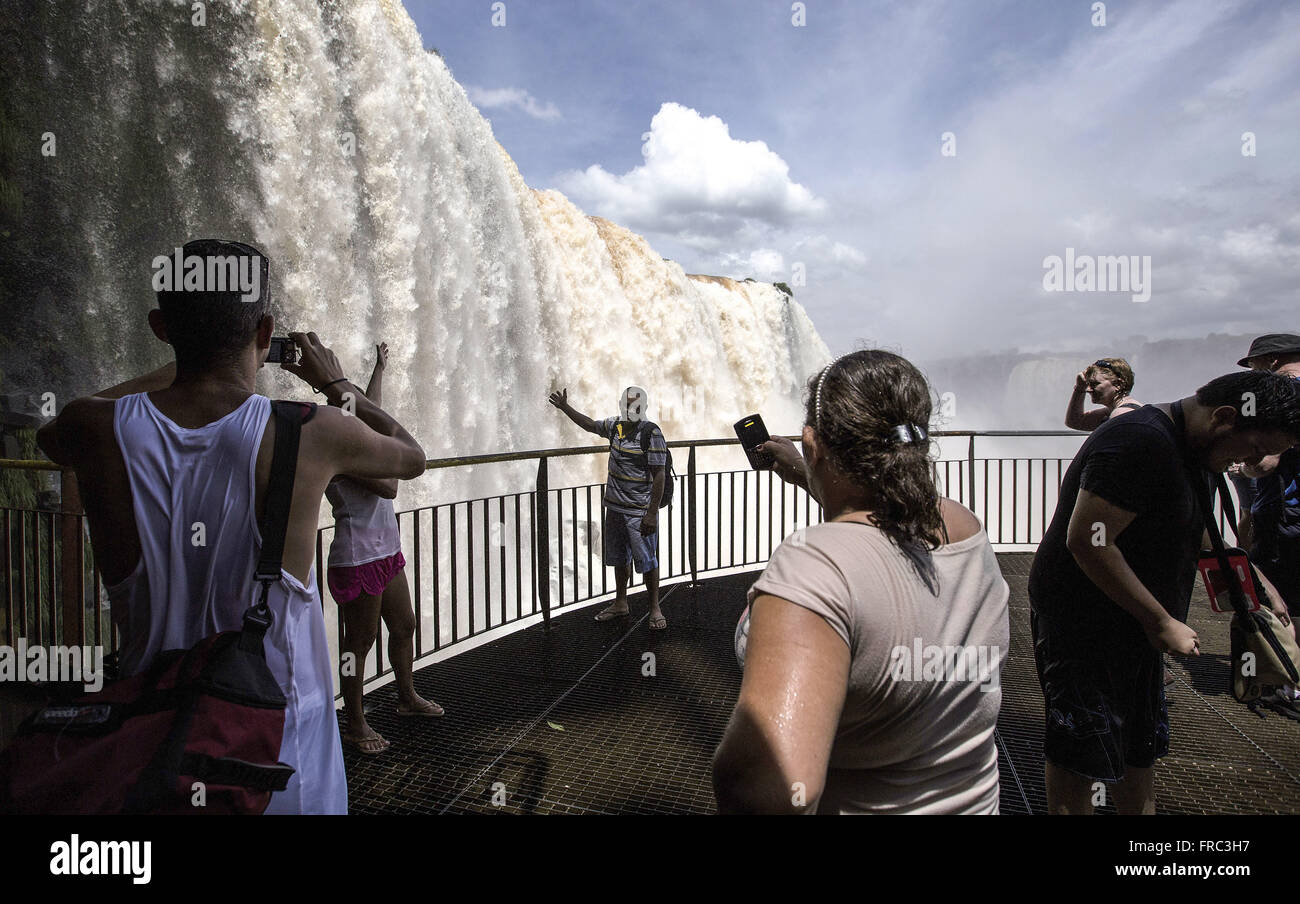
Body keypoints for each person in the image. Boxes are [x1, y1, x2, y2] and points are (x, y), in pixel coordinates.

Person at [35, 239, 426, 814]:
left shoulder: (95, 429)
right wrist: (335, 384)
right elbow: (410, 456)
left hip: (157, 742)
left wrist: (191, 357)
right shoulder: (311, 429)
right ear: (266, 331)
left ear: (160, 327)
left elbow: (54, 431)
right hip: (283, 751)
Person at [711, 350, 1010, 814]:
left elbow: (760, 787)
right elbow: (881, 520)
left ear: (813, 442)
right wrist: (810, 474)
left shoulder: (813, 568)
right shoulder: (966, 530)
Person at [1029, 369, 1300, 815]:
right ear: (1226, 417)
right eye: (1255, 449)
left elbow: (1193, 526)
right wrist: (1160, 620)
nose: (1253, 464)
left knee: (1140, 744)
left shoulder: (1191, 445)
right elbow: (1089, 539)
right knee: (1081, 750)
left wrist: (1253, 578)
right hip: (1084, 620)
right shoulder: (1139, 441)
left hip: (1136, 622)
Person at [327, 341, 443, 755]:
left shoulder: (357, 435)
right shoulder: (340, 450)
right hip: (357, 555)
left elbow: (372, 406)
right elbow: (391, 485)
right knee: (358, 643)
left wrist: (380, 367)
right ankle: (355, 722)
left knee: (405, 624)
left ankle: (406, 697)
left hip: (385, 551)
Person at [548, 385, 668, 630]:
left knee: (647, 560)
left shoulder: (651, 433)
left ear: (643, 408)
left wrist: (652, 513)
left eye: (636, 405)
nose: (630, 409)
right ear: (621, 405)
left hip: (638, 510)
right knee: (619, 557)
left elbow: (659, 475)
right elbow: (590, 425)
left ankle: (655, 608)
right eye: (627, 404)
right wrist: (564, 407)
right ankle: (621, 602)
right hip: (614, 507)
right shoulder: (615, 426)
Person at [1236, 334, 1300, 719]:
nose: (1255, 373)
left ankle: (1282, 684)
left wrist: (1241, 465)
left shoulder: (1284, 395)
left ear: (1273, 361)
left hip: (1285, 515)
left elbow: (1265, 464)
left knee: (1276, 600)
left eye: (1255, 366)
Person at [1065, 357, 1142, 431]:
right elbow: (1075, 422)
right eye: (1088, 384)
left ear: (1118, 384)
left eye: (1095, 384)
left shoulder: (1121, 414)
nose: (1088, 389)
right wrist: (1080, 387)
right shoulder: (1114, 411)